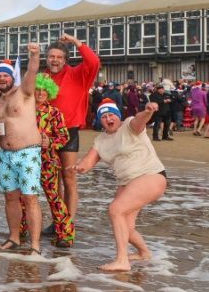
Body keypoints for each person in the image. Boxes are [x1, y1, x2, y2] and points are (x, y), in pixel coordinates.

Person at [73, 99, 166, 271]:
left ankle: (122, 260)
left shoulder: (129, 125)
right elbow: (87, 164)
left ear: (118, 116)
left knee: (116, 209)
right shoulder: (100, 140)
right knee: (126, 227)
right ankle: (144, 253)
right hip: (127, 182)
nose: (109, 118)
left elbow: (139, 121)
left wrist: (148, 112)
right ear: (99, 120)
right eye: (104, 116)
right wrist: (77, 167)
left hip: (150, 176)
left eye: (112, 114)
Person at [0, 45, 44, 254]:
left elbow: (32, 71)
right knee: (10, 197)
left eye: (5, 75)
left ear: (12, 76)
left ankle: (35, 245)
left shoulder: (25, 92)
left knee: (30, 198)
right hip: (5, 155)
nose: (2, 78)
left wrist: (35, 55)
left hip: (27, 153)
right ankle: (14, 238)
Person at [45, 33, 101, 230]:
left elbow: (93, 61)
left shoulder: (79, 75)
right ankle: (57, 220)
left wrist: (77, 42)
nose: (55, 60)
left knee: (68, 178)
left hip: (69, 132)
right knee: (52, 181)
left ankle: (68, 222)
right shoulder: (42, 78)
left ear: (65, 60)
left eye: (59, 57)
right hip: (46, 135)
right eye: (52, 56)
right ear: (47, 58)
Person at [30, 74, 74, 247]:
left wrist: (51, 142)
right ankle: (23, 231)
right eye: (37, 89)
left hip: (47, 160)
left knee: (54, 198)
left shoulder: (54, 112)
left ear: (49, 92)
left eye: (44, 90)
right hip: (26, 161)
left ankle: (65, 235)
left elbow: (64, 136)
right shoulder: (24, 110)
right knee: (25, 198)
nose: (40, 93)